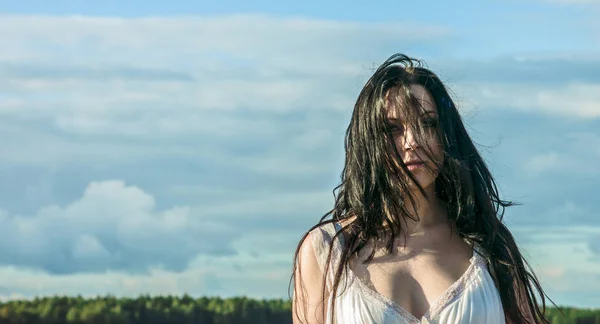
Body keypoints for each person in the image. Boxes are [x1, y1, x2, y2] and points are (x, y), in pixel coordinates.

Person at [290, 53, 555, 324]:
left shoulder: (489, 247)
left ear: (446, 136)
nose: (412, 141)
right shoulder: (325, 250)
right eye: (393, 128)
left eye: (428, 123)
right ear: (368, 141)